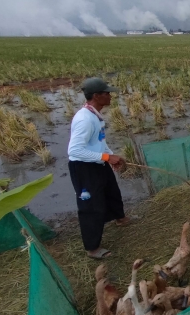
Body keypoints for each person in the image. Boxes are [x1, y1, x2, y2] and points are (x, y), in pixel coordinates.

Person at [67, 77, 132, 259]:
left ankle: (120, 219)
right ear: (96, 96)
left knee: (112, 191)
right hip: (83, 168)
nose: (110, 96)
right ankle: (92, 248)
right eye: (106, 93)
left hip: (98, 162)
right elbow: (75, 150)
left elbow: (99, 141)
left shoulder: (95, 114)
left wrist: (111, 156)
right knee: (91, 206)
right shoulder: (84, 119)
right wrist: (106, 157)